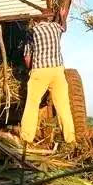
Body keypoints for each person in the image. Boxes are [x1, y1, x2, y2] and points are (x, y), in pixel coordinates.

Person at [21, 8, 75, 143]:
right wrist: (62, 16)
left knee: (32, 104)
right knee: (63, 106)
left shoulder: (32, 32)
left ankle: (26, 138)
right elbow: (64, 28)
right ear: (48, 18)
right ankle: (70, 139)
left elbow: (27, 58)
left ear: (36, 20)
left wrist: (30, 70)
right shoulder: (56, 27)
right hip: (57, 71)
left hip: (40, 71)